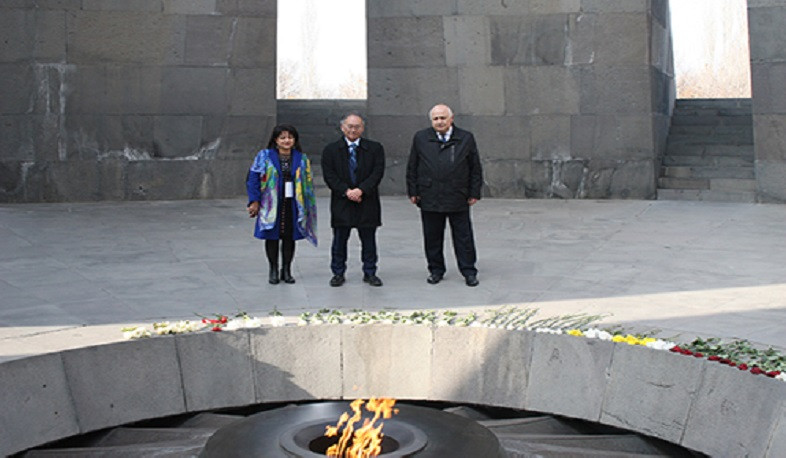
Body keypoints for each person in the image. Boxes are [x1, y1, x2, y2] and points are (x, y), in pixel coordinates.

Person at [406, 104, 483, 287]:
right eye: (435, 119)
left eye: (442, 118)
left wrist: (474, 192)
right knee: (432, 236)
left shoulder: (465, 138)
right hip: (430, 195)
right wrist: (413, 191)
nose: (439, 122)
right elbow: (412, 166)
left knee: (463, 237)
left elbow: (475, 168)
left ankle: (469, 271)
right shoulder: (421, 138)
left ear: (451, 118)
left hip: (458, 195)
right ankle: (436, 270)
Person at [246, 124, 317, 285]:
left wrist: (306, 205)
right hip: (270, 203)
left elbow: (308, 182)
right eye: (283, 137)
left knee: (289, 237)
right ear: (276, 140)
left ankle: (286, 269)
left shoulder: (301, 158)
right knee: (272, 236)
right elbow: (253, 179)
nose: (287, 141)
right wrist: (254, 200)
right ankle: (273, 269)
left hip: (293, 203)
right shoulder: (264, 156)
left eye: (290, 137)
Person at [321, 112, 385, 287]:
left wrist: (361, 190)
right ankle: (338, 273)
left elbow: (377, 173)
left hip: (367, 201)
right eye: (349, 126)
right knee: (339, 240)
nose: (353, 130)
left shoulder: (375, 148)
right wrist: (347, 191)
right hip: (342, 202)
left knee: (369, 240)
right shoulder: (331, 150)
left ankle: (370, 272)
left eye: (357, 126)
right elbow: (330, 176)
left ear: (362, 128)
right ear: (342, 128)